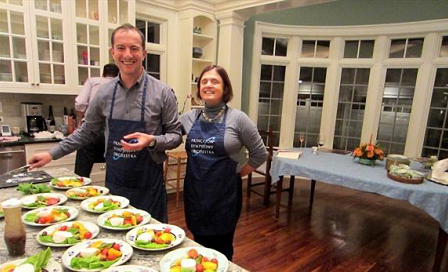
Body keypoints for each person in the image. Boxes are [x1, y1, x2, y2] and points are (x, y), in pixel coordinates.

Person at [28, 24, 182, 223]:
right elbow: (86, 132)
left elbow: (175, 136)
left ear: (143, 53)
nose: (127, 54)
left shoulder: (163, 92)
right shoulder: (103, 93)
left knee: (152, 240)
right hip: (115, 182)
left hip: (148, 185)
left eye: (134, 48)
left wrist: (152, 140)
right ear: (112, 52)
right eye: (121, 48)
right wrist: (51, 154)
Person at [180, 65, 267, 260]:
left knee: (221, 251)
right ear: (199, 88)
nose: (208, 85)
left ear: (225, 88)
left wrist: (237, 174)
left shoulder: (238, 119)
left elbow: (260, 154)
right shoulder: (188, 118)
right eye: (204, 81)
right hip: (196, 194)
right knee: (198, 246)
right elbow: (167, 135)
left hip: (224, 197)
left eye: (215, 81)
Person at [74, 63, 119, 177]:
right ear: (118, 74)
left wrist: (80, 120)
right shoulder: (121, 85)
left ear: (103, 74)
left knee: (82, 174)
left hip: (91, 131)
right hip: (113, 133)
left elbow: (80, 103)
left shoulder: (93, 81)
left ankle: (79, 191)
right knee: (114, 170)